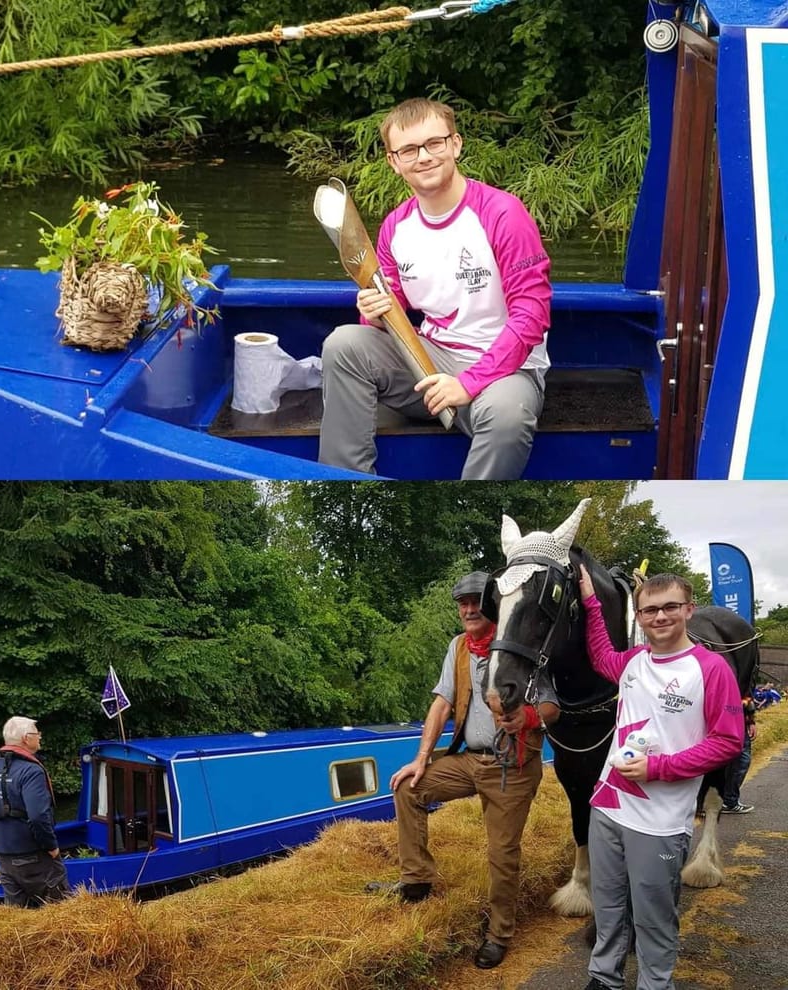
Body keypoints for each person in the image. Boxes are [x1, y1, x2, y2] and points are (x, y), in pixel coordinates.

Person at [319, 97, 552, 480]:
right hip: (431, 359)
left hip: (506, 371)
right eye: (409, 150)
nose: (423, 157)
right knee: (344, 344)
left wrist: (468, 384)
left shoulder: (503, 214)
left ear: (455, 144)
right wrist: (373, 310)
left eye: (434, 143)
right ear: (394, 162)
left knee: (509, 415)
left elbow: (532, 315)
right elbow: (387, 314)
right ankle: (348, 480)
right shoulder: (396, 227)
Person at [366, 571, 554, 969]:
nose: (468, 609)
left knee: (502, 853)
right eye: (462, 603)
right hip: (470, 758)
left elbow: (555, 706)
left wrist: (529, 718)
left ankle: (499, 933)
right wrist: (421, 758)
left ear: (492, 605)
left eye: (476, 602)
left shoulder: (524, 643)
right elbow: (442, 702)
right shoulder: (459, 647)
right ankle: (415, 881)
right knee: (408, 788)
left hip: (512, 766)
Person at [577, 569, 743, 990]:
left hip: (660, 820)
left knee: (653, 916)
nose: (660, 617)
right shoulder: (633, 661)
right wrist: (591, 603)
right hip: (609, 806)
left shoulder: (711, 669)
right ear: (639, 616)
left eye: (670, 607)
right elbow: (600, 657)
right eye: (650, 610)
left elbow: (728, 743)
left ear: (689, 609)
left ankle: (655, 983)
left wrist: (658, 769)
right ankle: (604, 978)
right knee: (609, 906)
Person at [0, 716, 70, 907]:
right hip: (34, 856)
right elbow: (38, 816)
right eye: (36, 733)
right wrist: (52, 847)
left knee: (16, 917)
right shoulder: (31, 771)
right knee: (60, 913)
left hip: (3, 856)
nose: (40, 737)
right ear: (26, 738)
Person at [721, 695, 756, 814]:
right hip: (733, 716)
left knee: (732, 759)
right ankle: (729, 801)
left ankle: (726, 799)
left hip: (730, 714)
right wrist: (750, 720)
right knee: (741, 759)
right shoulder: (741, 676)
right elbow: (744, 694)